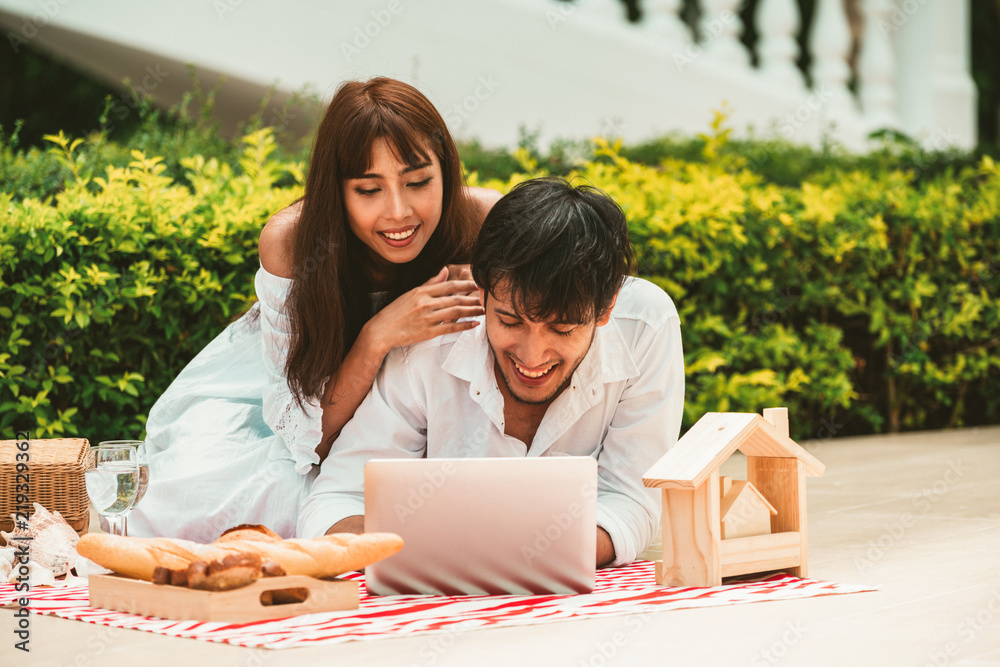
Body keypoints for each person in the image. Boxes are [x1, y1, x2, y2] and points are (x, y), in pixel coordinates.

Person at [129, 77, 502, 542]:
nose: (399, 212)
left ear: (446, 170)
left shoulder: (485, 221)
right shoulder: (291, 242)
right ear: (336, 190)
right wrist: (378, 335)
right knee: (272, 494)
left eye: (419, 182)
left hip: (415, 401)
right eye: (369, 190)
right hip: (281, 397)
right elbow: (313, 441)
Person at [297, 177, 685, 568]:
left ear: (606, 309)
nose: (533, 357)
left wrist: (533, 551)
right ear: (481, 293)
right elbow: (335, 501)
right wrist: (435, 550)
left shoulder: (645, 327)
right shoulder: (428, 344)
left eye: (562, 329)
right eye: (510, 321)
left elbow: (632, 498)